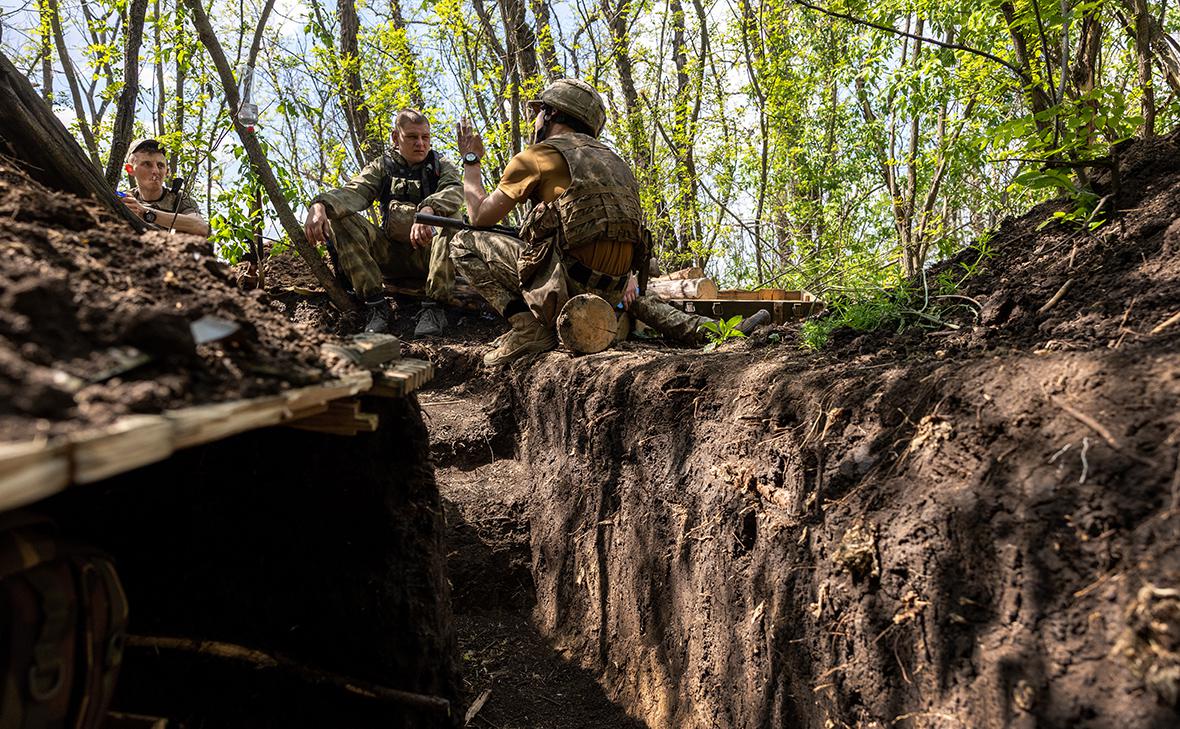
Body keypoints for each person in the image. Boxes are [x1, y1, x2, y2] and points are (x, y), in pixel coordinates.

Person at [453, 78, 714, 366]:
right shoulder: (616, 163)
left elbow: (479, 216)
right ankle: (697, 329)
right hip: (615, 290)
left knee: (462, 243)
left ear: (551, 114)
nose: (535, 119)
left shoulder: (537, 156)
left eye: (539, 111)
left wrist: (471, 161)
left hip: (566, 289)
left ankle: (529, 328)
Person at [304, 109, 463, 334]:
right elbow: (354, 192)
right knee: (342, 218)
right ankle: (376, 306)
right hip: (389, 254)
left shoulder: (441, 166)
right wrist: (320, 205)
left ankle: (435, 308)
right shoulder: (382, 167)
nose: (420, 143)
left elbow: (455, 191)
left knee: (453, 219)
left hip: (429, 257)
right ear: (395, 137)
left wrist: (428, 209)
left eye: (425, 137)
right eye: (412, 137)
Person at [121, 138, 210, 237]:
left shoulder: (179, 199)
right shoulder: (125, 199)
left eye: (160, 166)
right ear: (130, 169)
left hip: (171, 249)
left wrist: (146, 213)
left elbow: (201, 227)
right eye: (147, 164)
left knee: (183, 230)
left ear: (167, 172)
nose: (155, 171)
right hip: (130, 249)